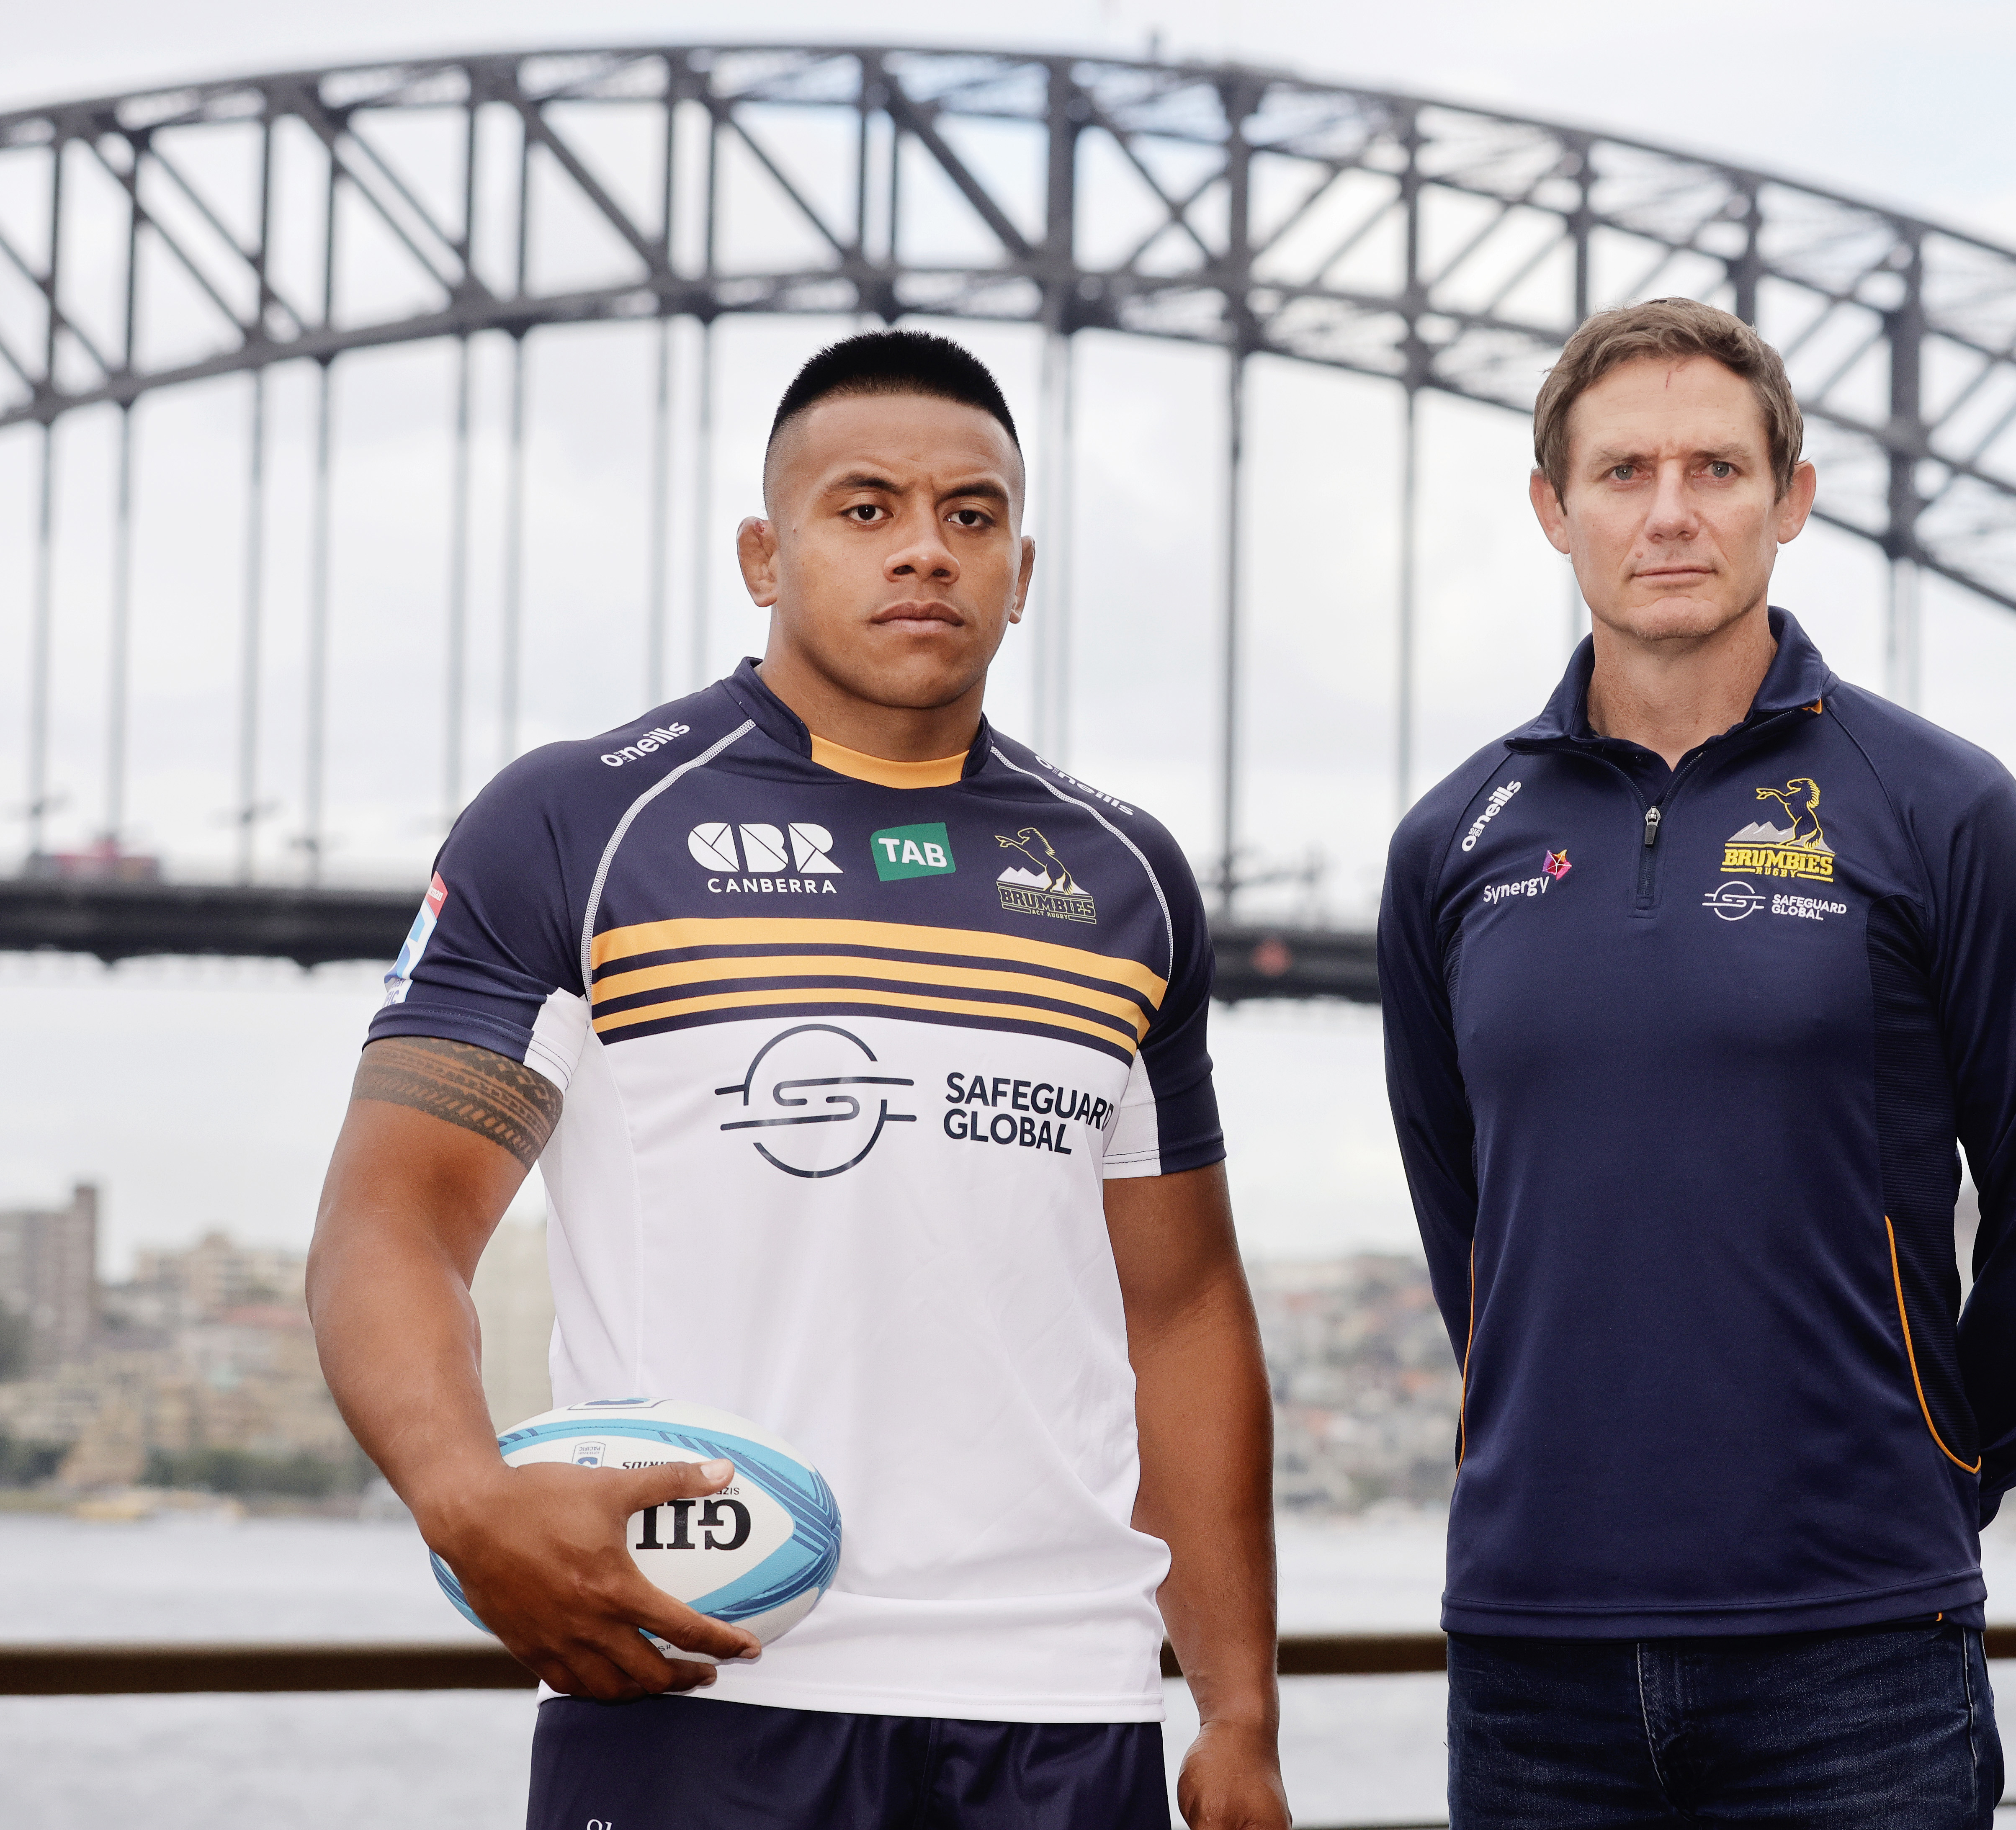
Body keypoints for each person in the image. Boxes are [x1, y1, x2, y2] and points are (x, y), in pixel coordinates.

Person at [308, 331, 1290, 1830]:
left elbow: (1184, 1306)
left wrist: (1235, 1703)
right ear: (764, 554)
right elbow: (396, 1218)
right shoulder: (578, 825)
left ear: (1022, 570)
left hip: (1062, 1704)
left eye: (972, 517)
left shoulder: (1125, 875)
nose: (926, 551)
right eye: (866, 507)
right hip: (705, 1673)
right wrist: (462, 1493)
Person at [1377, 298, 2016, 1827]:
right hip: (1535, 1651)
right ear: (1552, 510)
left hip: (1856, 1650)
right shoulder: (1449, 847)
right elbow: (1473, 1232)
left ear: (1791, 498)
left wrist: (1941, 1470)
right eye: (1624, 472)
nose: (1669, 513)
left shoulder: (1941, 810)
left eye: (1716, 470)